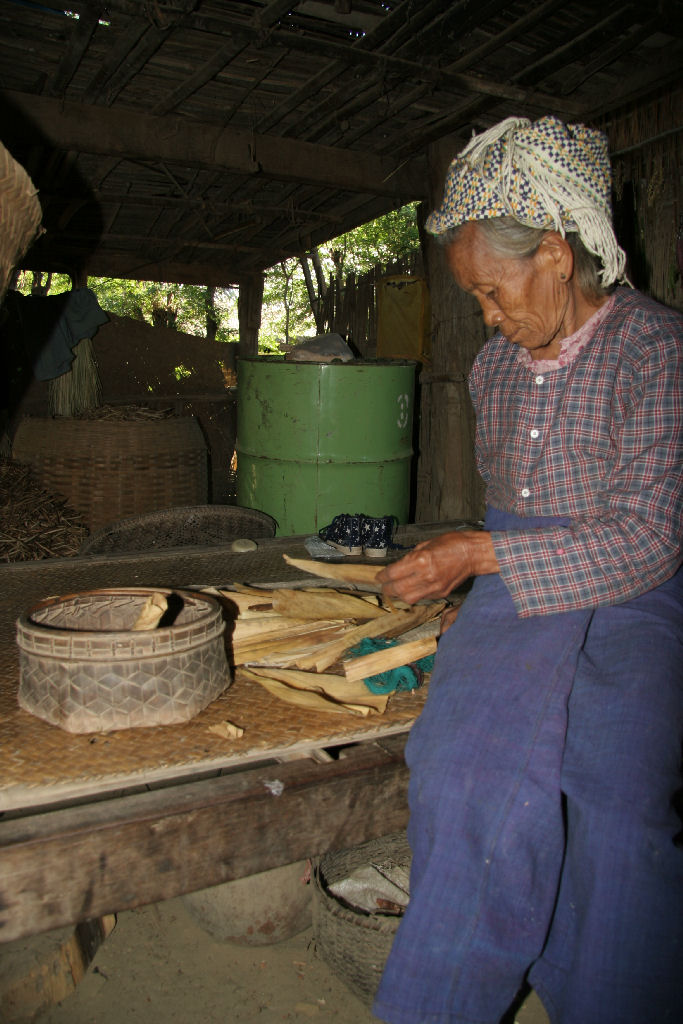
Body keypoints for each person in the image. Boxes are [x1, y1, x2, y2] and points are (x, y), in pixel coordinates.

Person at [372, 116, 683, 1024]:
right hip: (513, 588)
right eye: (474, 298)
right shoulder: (493, 369)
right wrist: (478, 588)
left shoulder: (660, 352)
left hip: (638, 599)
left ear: (554, 250)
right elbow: (502, 503)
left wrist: (479, 556)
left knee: (616, 813)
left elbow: (651, 538)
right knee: (460, 775)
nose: (487, 317)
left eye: (492, 291)